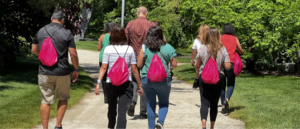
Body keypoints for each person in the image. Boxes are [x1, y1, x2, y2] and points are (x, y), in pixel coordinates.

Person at [31, 8, 79, 129]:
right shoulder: (67, 33)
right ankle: (58, 126)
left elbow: (34, 50)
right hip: (62, 71)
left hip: (44, 71)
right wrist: (76, 69)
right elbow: (73, 54)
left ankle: (45, 127)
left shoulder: (41, 31)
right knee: (63, 98)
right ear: (63, 20)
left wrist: (46, 56)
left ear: (51, 18)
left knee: (45, 100)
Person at [94, 25, 143, 129]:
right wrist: (139, 85)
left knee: (111, 108)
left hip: (111, 82)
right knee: (122, 110)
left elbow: (103, 67)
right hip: (126, 83)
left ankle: (111, 127)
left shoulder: (108, 49)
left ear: (112, 36)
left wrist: (98, 83)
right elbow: (134, 69)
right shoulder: (129, 49)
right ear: (124, 36)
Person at [137, 26, 177, 129]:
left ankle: (151, 127)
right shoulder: (168, 47)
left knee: (150, 104)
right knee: (163, 103)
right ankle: (160, 122)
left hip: (147, 79)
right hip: (164, 79)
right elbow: (175, 64)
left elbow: (139, 64)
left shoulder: (144, 47)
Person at [195, 28, 231, 129]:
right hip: (218, 78)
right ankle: (211, 126)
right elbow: (227, 66)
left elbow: (197, 64)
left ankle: (203, 125)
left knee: (204, 102)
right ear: (219, 36)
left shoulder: (202, 48)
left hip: (204, 77)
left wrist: (197, 75)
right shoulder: (223, 49)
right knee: (214, 103)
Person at [125, 6, 156, 119]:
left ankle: (133, 102)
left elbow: (126, 41)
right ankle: (143, 111)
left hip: (133, 56)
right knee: (145, 82)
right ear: (146, 14)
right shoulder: (152, 25)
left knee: (135, 81)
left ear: (137, 14)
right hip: (147, 56)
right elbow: (155, 41)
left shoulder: (130, 24)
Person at [220, 23, 244, 114]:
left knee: (222, 85)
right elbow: (241, 51)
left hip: (221, 63)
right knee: (230, 84)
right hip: (231, 63)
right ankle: (226, 100)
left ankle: (223, 106)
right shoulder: (235, 39)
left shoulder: (220, 38)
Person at [97, 21, 116, 104]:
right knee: (114, 76)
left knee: (104, 78)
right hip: (113, 58)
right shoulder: (116, 36)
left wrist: (99, 42)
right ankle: (114, 95)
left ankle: (106, 96)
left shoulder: (102, 36)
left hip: (103, 57)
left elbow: (98, 48)